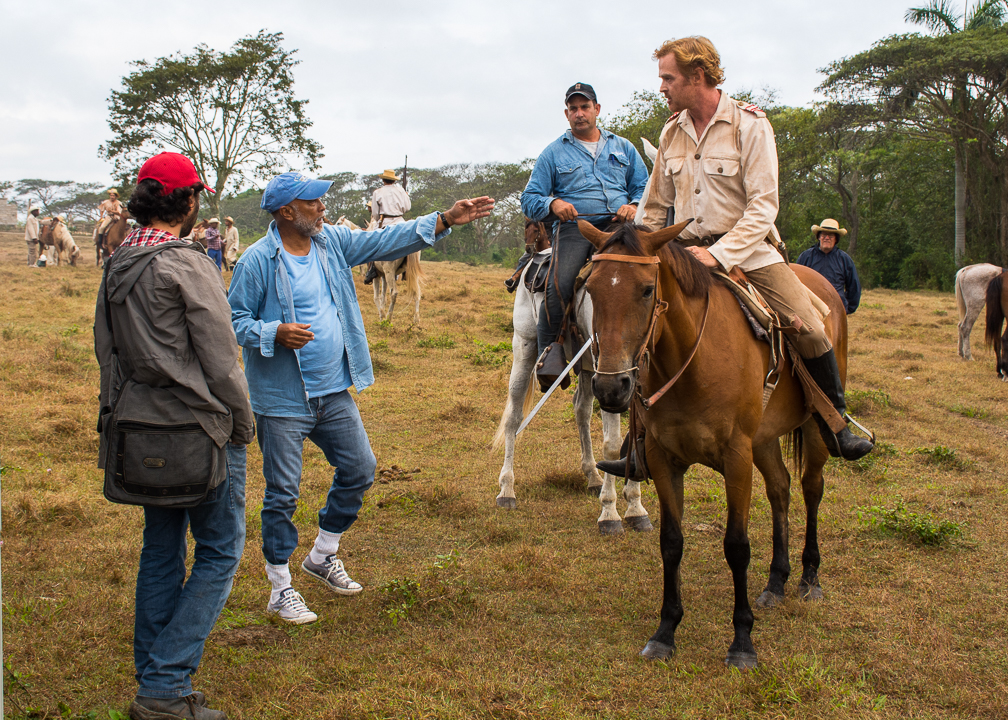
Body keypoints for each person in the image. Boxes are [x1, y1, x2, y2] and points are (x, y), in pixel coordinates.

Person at [228, 172, 493, 625]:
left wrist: (445, 219)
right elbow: (233, 320)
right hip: (282, 399)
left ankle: (322, 555)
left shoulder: (332, 243)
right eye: (314, 203)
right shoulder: (255, 261)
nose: (323, 208)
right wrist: (273, 331)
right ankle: (280, 587)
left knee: (360, 469)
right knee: (283, 494)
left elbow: (386, 239)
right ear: (287, 211)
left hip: (333, 390)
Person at [601, 36, 872, 477]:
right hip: (683, 250)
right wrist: (643, 247)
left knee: (808, 323)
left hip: (749, 249)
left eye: (668, 78)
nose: (662, 87)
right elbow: (653, 207)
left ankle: (835, 422)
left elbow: (764, 206)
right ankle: (640, 445)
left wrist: (720, 256)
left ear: (697, 76)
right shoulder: (672, 131)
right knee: (643, 327)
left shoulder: (750, 125)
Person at [94, 152, 254, 720]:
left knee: (160, 550)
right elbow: (221, 361)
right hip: (199, 430)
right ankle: (165, 685)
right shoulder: (188, 265)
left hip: (139, 430)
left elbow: (105, 353)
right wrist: (242, 425)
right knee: (219, 551)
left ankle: (155, 682)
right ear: (187, 202)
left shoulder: (118, 262)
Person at [520, 82, 649, 389]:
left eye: (585, 107)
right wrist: (554, 203)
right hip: (578, 229)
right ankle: (549, 355)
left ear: (597, 109)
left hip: (621, 228)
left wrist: (633, 205)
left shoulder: (624, 147)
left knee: (652, 275)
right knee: (560, 283)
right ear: (567, 114)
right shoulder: (553, 152)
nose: (579, 114)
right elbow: (529, 198)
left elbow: (645, 186)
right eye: (573, 109)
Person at [796, 219, 861, 315]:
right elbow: (795, 282)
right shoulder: (806, 257)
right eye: (823, 235)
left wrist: (847, 308)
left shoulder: (844, 259)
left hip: (836, 311)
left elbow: (854, 287)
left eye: (831, 235)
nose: (827, 238)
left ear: (836, 238)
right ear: (819, 237)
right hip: (811, 309)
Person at [362, 169, 412, 285]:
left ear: (383, 180)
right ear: (393, 180)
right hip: (401, 222)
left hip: (385, 223)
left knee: (372, 244)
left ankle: (371, 270)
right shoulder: (401, 191)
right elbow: (407, 207)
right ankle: (406, 270)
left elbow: (375, 213)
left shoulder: (377, 192)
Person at [96, 188, 123, 253]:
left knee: (125, 227)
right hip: (108, 217)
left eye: (113, 195)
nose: (112, 197)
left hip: (117, 217)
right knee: (102, 228)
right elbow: (102, 209)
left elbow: (119, 212)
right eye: (111, 195)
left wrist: (112, 211)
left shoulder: (118, 203)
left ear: (116, 196)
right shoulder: (105, 202)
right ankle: (101, 243)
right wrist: (101, 217)